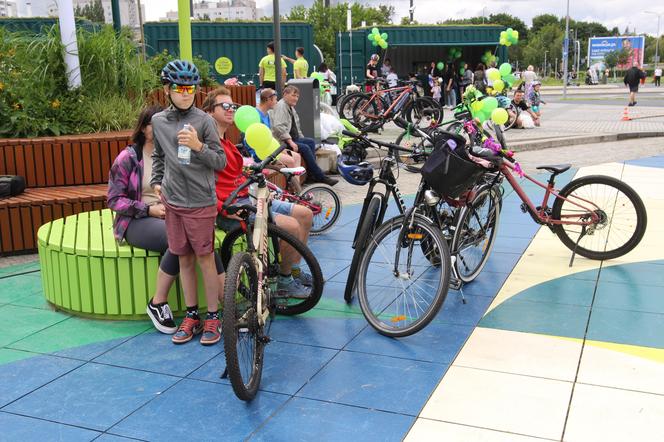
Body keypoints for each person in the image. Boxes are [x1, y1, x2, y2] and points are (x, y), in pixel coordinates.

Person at [108, 106, 227, 336]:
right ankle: (158, 301)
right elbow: (114, 199)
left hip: (174, 208)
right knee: (176, 241)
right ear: (144, 128)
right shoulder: (129, 157)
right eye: (155, 123)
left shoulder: (176, 148)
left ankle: (223, 304)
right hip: (137, 218)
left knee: (203, 246)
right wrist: (148, 209)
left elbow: (212, 164)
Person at [203, 87, 314, 298]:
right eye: (224, 106)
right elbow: (202, 186)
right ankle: (284, 281)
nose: (231, 110)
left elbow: (236, 176)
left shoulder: (227, 143)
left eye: (233, 106)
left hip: (248, 199)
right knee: (291, 226)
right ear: (209, 112)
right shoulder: (208, 147)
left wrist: (259, 187)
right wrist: (223, 209)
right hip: (231, 210)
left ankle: (292, 269)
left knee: (305, 214)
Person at [150, 60, 227, 346]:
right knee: (183, 258)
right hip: (173, 201)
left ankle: (212, 316)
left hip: (200, 201)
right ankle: (192, 315)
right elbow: (159, 155)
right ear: (167, 89)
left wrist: (198, 147)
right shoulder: (158, 121)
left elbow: (220, 161)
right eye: (179, 88)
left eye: (191, 88)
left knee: (205, 259)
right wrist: (157, 182)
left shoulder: (204, 121)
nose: (185, 93)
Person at [271, 85, 338, 186]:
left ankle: (311, 174)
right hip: (282, 142)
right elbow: (278, 127)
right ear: (285, 94)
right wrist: (290, 142)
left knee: (310, 142)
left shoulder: (290, 107)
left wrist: (301, 138)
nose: (296, 98)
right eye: (293, 95)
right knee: (305, 148)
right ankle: (320, 177)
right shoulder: (281, 106)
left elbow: (296, 128)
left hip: (291, 138)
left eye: (297, 96)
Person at [246, 88, 301, 168]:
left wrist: (279, 150)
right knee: (290, 161)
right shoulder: (255, 115)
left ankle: (294, 180)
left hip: (269, 149)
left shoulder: (267, 115)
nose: (277, 102)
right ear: (269, 100)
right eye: (275, 100)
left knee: (297, 157)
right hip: (258, 153)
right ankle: (291, 181)